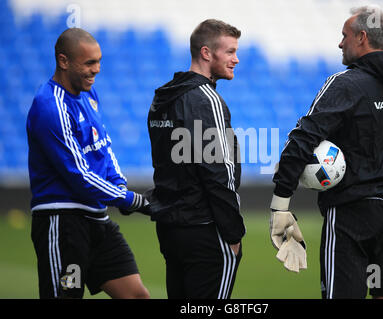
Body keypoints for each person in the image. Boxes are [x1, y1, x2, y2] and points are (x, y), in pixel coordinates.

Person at [269, 6, 383, 299]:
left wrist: (280, 206)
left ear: (361, 37)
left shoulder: (345, 85)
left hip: (351, 217)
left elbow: (302, 141)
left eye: (344, 35)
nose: (340, 43)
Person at [26, 28, 151, 299]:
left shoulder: (90, 96)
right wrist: (130, 200)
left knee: (137, 296)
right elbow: (79, 174)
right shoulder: (50, 106)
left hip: (97, 220)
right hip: (63, 223)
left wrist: (119, 185)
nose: (97, 69)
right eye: (89, 63)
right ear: (63, 61)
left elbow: (103, 149)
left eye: (99, 61)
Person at [146, 19, 245, 299]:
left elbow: (165, 165)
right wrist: (233, 233)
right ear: (206, 53)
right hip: (206, 230)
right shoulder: (206, 99)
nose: (236, 59)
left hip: (171, 229)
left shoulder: (161, 99)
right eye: (229, 52)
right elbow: (218, 172)